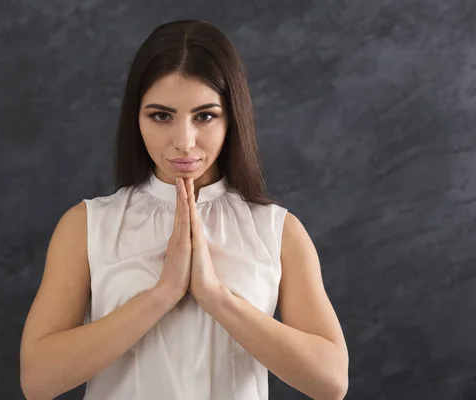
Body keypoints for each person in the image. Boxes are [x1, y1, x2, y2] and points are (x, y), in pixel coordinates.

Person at [20, 19, 348, 400]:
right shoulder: (87, 226)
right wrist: (163, 294)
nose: (184, 141)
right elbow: (38, 380)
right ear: (136, 117)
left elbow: (331, 381)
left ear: (232, 117)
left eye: (205, 116)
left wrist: (215, 297)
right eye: (161, 116)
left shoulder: (277, 230)